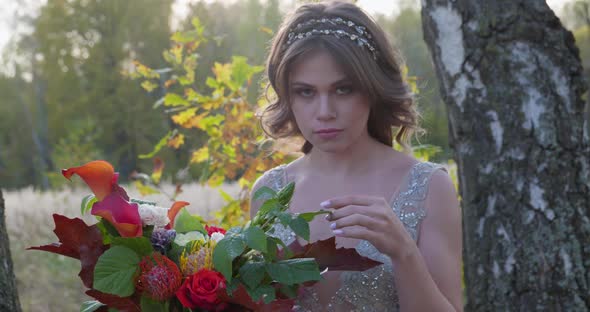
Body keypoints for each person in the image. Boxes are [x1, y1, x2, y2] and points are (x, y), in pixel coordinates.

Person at [249, 1, 462, 311]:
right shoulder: (269, 192)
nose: (325, 112)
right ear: (288, 96)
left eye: (343, 89)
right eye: (306, 92)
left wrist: (404, 253)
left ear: (372, 89)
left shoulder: (429, 187)